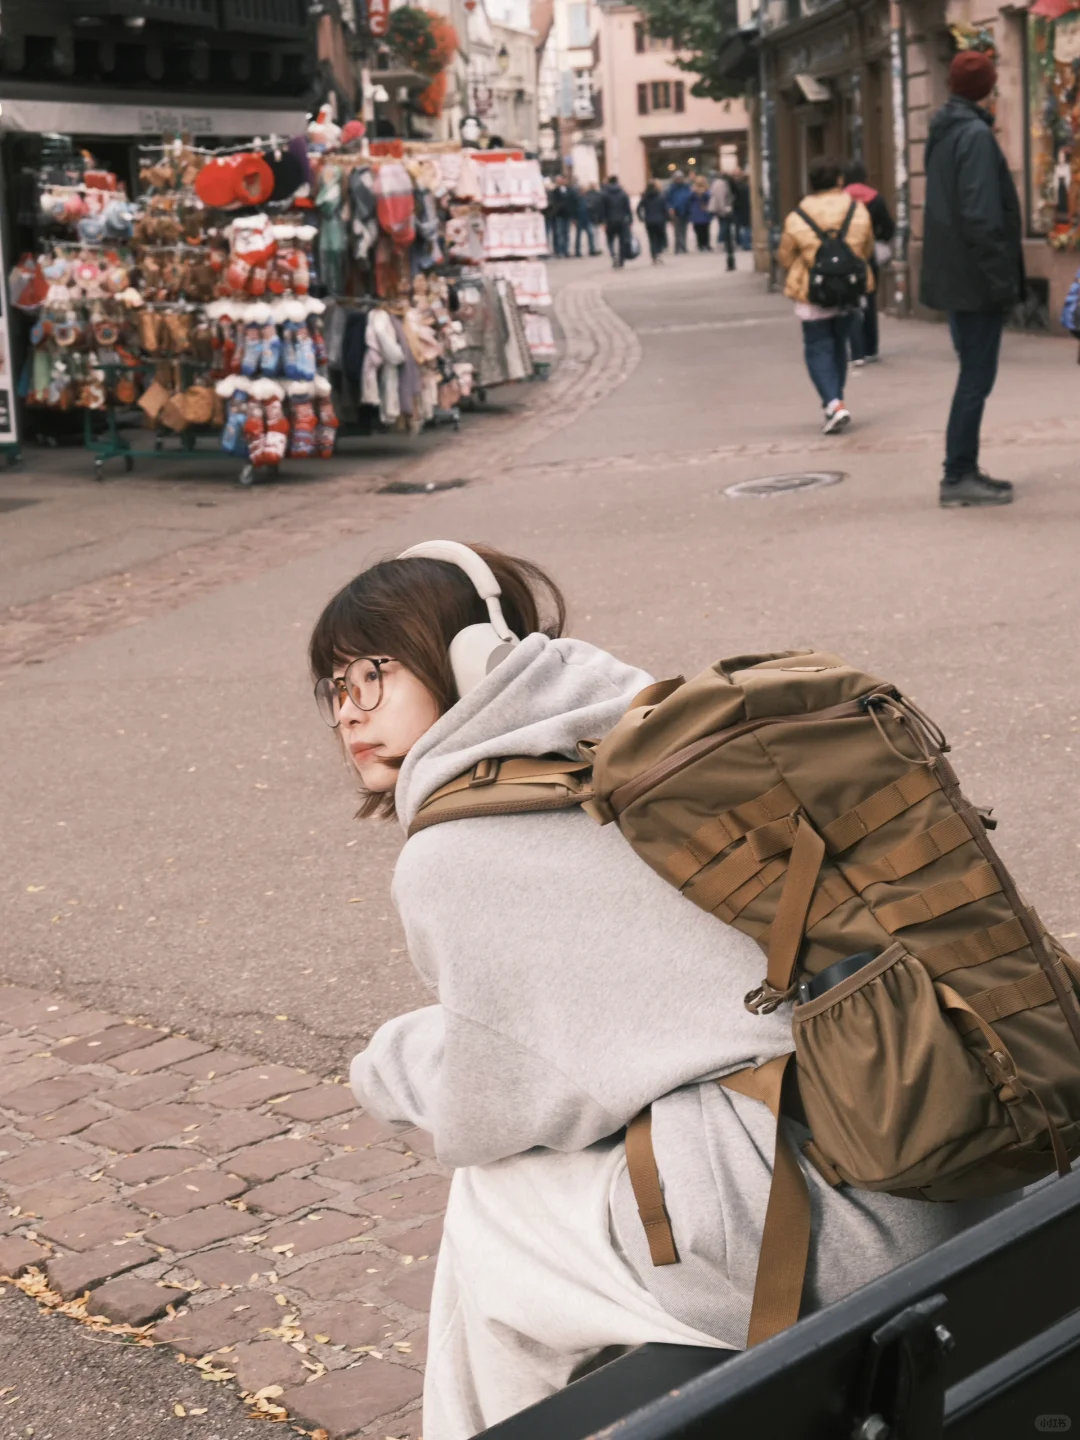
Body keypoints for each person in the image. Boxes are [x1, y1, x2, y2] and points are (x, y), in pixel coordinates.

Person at [310, 539, 1012, 1440]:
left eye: (373, 672)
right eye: (335, 686)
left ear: (468, 657)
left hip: (844, 1234)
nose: (349, 710)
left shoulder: (454, 855)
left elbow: (494, 1101)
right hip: (965, 1153)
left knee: (495, 1210)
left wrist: (385, 1061)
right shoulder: (660, 743)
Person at [920, 50, 1021, 508]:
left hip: (957, 272)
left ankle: (964, 469)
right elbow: (981, 215)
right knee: (976, 377)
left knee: (972, 374)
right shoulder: (974, 134)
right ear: (987, 88)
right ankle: (958, 474)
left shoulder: (946, 130)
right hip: (975, 276)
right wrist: (1001, 281)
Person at [777, 155, 874, 434]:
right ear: (840, 180)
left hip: (814, 290)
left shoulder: (798, 216)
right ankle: (836, 402)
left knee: (818, 346)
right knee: (839, 345)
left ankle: (833, 402)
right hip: (848, 289)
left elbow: (786, 256)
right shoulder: (857, 210)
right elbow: (865, 247)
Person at [844, 160, 896, 367]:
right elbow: (888, 228)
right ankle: (871, 348)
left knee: (849, 301)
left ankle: (855, 348)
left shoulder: (840, 200)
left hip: (846, 256)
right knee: (870, 299)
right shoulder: (876, 198)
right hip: (869, 255)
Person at [599, 174, 633, 266]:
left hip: (609, 221)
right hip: (622, 221)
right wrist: (630, 220)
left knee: (610, 240)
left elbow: (602, 209)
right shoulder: (623, 193)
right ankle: (621, 260)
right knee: (622, 241)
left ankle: (613, 256)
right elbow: (627, 208)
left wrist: (602, 221)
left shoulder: (604, 194)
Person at [708, 170, 736, 271]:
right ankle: (721, 242)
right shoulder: (721, 184)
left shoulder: (718, 183)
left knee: (725, 230)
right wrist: (723, 209)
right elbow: (720, 198)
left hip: (722, 210)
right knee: (725, 229)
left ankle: (729, 257)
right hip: (724, 211)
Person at [637, 181, 669, 264]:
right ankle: (659, 253)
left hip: (649, 221)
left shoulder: (645, 198)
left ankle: (654, 255)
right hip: (660, 221)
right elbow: (665, 209)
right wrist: (667, 218)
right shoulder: (660, 197)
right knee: (660, 237)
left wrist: (641, 218)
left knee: (652, 239)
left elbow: (638, 208)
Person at [666, 170, 692, 252]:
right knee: (677, 230)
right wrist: (670, 208)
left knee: (684, 230)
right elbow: (668, 200)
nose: (679, 180)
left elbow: (690, 197)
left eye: (680, 178)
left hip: (685, 211)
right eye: (677, 178)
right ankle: (677, 247)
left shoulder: (686, 187)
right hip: (676, 211)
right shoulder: (671, 188)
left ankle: (683, 246)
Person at [549, 175, 573, 258]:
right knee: (558, 233)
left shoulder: (569, 190)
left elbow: (572, 201)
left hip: (566, 215)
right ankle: (558, 250)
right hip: (558, 215)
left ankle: (565, 250)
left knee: (566, 233)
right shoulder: (555, 191)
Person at [576, 182, 601, 257]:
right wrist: (574, 218)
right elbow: (574, 209)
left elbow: (591, 207)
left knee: (590, 234)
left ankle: (592, 250)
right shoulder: (578, 198)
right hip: (579, 219)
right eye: (582, 190)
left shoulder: (587, 198)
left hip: (587, 219)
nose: (584, 191)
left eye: (584, 190)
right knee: (578, 236)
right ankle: (577, 251)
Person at [730, 166, 752, 250]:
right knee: (743, 227)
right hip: (741, 208)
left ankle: (742, 242)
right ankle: (744, 243)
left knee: (741, 227)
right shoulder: (741, 186)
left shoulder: (741, 185)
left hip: (741, 208)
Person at [688, 175, 712, 250]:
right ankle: (700, 244)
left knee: (706, 229)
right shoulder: (693, 189)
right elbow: (689, 198)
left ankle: (706, 243)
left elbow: (709, 197)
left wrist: (703, 193)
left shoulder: (707, 189)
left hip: (704, 212)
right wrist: (694, 192)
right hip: (696, 212)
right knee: (697, 229)